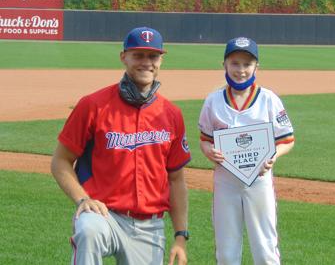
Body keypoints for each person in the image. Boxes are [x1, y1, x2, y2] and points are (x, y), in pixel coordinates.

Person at [51, 27, 191, 265]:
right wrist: (82, 199)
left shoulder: (172, 114)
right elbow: (61, 161)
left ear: (161, 61)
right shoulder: (93, 105)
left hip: (149, 226)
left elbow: (176, 179)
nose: (146, 62)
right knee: (89, 230)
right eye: (138, 55)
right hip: (103, 215)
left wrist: (180, 235)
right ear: (123, 57)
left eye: (152, 56)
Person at [198, 37, 295, 265]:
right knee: (226, 251)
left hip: (260, 180)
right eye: (235, 63)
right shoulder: (213, 101)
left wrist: (273, 155)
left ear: (256, 67)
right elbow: (204, 140)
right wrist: (209, 152)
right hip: (226, 181)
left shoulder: (269, 99)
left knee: (265, 249)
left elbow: (288, 140)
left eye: (247, 64)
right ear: (224, 64)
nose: (240, 70)